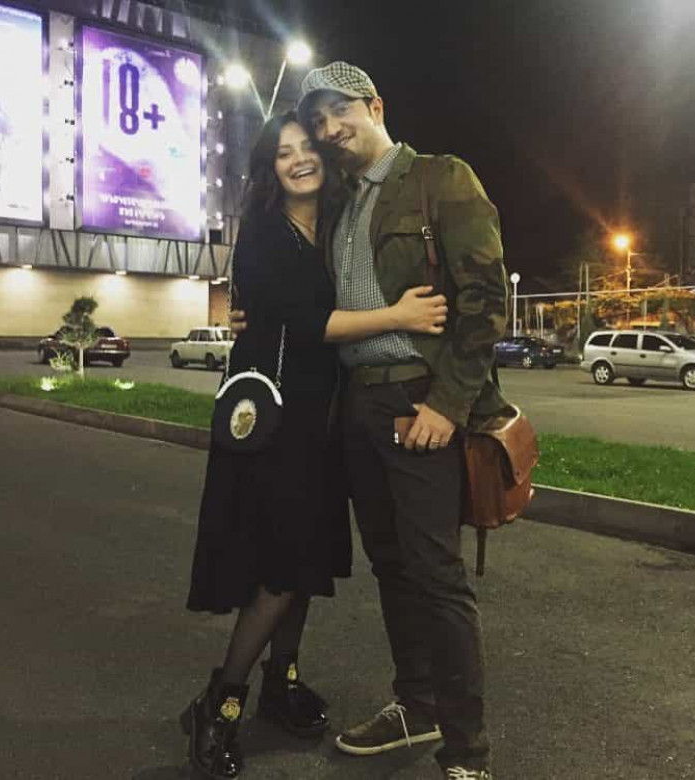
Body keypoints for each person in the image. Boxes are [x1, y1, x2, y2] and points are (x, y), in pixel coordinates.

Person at [182, 110, 448, 779]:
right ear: (269, 167)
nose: (298, 159)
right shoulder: (264, 232)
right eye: (283, 152)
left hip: (325, 421)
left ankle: (283, 681)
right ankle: (220, 703)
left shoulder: (334, 225)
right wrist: (398, 316)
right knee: (279, 569)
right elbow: (306, 323)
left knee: (303, 564)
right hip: (274, 425)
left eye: (307, 148)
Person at [296, 62, 509, 780]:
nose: (329, 129)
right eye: (318, 121)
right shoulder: (339, 203)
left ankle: (468, 752)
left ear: (375, 106)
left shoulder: (440, 179)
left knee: (436, 576)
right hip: (359, 404)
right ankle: (416, 706)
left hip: (421, 398)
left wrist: (448, 405)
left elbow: (485, 301)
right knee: (390, 566)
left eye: (339, 112)